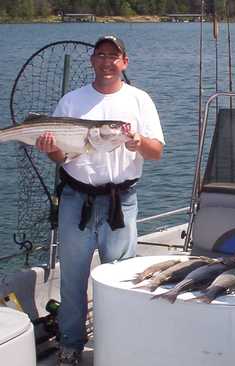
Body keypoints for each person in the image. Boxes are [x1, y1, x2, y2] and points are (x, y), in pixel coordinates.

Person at [35, 35, 165, 365]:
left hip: (121, 203)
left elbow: (157, 151)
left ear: (125, 62)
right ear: (92, 60)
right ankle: (70, 345)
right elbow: (62, 157)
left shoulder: (139, 100)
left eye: (114, 55)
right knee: (73, 280)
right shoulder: (72, 101)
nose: (107, 61)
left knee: (121, 281)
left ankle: (120, 345)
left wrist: (137, 142)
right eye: (101, 55)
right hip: (76, 201)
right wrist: (52, 150)